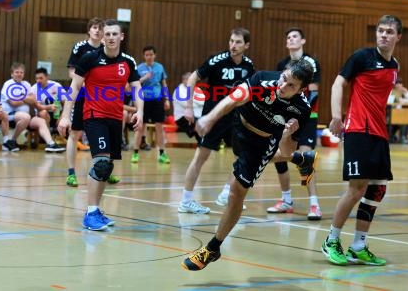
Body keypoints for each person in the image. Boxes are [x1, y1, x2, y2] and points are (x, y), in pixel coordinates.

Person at [181, 60, 316, 270]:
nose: (283, 86)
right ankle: (303, 160)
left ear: (301, 89)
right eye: (283, 79)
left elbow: (286, 150)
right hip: (238, 124)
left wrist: (288, 134)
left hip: (261, 142)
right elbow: (233, 99)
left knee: (236, 192)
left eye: (291, 86)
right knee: (251, 154)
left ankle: (213, 248)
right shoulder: (263, 79)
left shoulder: (300, 110)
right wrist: (209, 118)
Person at [321, 15, 402, 267]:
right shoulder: (362, 57)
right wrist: (336, 116)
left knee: (377, 189)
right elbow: (338, 83)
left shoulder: (394, 65)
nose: (383, 35)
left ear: (398, 37)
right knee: (356, 188)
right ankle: (331, 240)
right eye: (380, 31)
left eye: (389, 32)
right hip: (358, 129)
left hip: (380, 133)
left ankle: (358, 245)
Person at [58, 19, 144, 231]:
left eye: (115, 34)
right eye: (108, 34)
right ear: (102, 36)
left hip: (115, 118)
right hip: (93, 115)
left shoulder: (128, 62)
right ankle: (90, 212)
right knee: (101, 163)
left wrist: (140, 112)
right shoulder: (89, 58)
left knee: (107, 168)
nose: (111, 38)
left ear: (121, 37)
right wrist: (65, 116)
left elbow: (136, 88)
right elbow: (74, 87)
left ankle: (96, 210)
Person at [177, 28, 255, 214]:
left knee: (240, 157)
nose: (233, 45)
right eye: (231, 41)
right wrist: (188, 107)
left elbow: (250, 91)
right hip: (213, 118)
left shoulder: (249, 66)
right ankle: (185, 201)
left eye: (237, 42)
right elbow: (193, 78)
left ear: (246, 45)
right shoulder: (217, 60)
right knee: (201, 158)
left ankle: (226, 193)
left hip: (236, 118)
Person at [267, 27, 322, 220]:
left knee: (306, 157)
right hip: (284, 116)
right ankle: (286, 199)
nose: (290, 39)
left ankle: (314, 204)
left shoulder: (310, 63)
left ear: (303, 41)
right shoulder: (283, 64)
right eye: (288, 37)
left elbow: (313, 93)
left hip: (306, 116)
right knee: (279, 154)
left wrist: (300, 113)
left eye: (294, 36)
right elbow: (279, 90)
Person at [65, 18, 121, 187]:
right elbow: (72, 75)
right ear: (89, 31)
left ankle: (105, 168)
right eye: (94, 28)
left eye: (99, 28)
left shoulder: (111, 50)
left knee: (107, 135)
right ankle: (71, 173)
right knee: (75, 134)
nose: (97, 31)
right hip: (84, 96)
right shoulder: (81, 48)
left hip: (104, 100)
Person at [1, 62, 65, 153]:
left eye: (21, 72)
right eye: (17, 72)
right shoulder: (8, 84)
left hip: (28, 116)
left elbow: (33, 100)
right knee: (26, 117)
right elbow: (13, 102)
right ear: (12, 74)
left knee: (40, 121)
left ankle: (50, 144)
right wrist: (27, 98)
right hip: (11, 115)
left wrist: (21, 96)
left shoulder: (26, 84)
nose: (19, 74)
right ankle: (11, 141)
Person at [131, 46, 171, 164]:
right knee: (140, 127)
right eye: (147, 55)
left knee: (159, 127)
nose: (149, 57)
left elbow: (164, 84)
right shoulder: (139, 68)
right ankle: (135, 153)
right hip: (143, 101)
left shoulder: (159, 67)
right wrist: (145, 77)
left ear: (154, 55)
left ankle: (162, 154)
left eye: (151, 54)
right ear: (144, 56)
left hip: (157, 101)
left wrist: (167, 99)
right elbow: (135, 84)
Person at [388, 78, 408, 144]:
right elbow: (390, 101)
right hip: (391, 113)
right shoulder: (391, 91)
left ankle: (405, 136)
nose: (399, 85)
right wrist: (402, 100)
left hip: (401, 113)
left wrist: (406, 92)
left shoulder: (403, 91)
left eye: (400, 83)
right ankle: (402, 137)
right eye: (397, 83)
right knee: (403, 119)